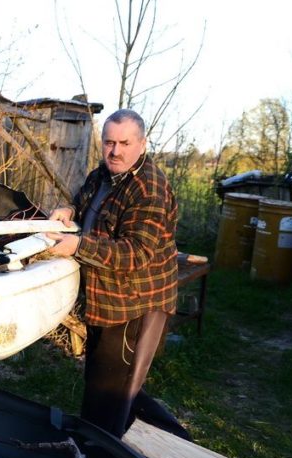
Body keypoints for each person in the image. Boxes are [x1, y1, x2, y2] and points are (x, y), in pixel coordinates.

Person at [46, 108, 191, 440]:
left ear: (142, 143)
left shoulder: (149, 188)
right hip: (105, 299)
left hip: (136, 305)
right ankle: (167, 445)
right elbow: (83, 202)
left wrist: (76, 247)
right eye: (109, 142)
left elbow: (136, 253)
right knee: (111, 382)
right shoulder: (104, 173)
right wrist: (69, 209)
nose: (115, 151)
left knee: (112, 390)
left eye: (124, 143)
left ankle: (98, 457)